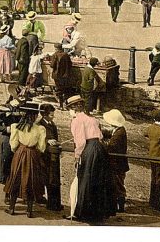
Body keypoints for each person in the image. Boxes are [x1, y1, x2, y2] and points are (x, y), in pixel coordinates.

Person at [67, 95, 116, 223]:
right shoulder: (93, 119)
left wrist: (77, 156)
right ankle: (99, 212)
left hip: (89, 148)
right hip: (100, 148)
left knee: (86, 179)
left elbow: (80, 141)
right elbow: (100, 136)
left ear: (73, 108)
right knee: (99, 179)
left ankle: (85, 213)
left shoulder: (77, 120)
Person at [4, 102, 46, 217]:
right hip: (32, 155)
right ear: (34, 115)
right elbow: (41, 147)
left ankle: (12, 208)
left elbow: (13, 145)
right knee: (31, 180)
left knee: (15, 178)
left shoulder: (17, 126)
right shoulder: (40, 129)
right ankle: (29, 210)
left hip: (20, 154)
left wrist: (18, 151)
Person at [102, 109, 129, 213]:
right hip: (119, 163)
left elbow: (111, 147)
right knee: (117, 184)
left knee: (118, 185)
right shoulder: (119, 130)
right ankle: (117, 204)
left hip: (118, 164)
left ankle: (120, 207)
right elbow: (110, 133)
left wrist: (103, 144)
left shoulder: (118, 134)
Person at [38, 104, 63, 211]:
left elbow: (55, 138)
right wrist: (47, 141)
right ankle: (51, 203)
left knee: (55, 179)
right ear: (45, 115)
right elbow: (38, 140)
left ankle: (56, 203)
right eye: (51, 115)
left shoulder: (52, 124)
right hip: (46, 157)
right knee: (50, 179)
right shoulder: (39, 125)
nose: (53, 116)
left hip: (54, 155)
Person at [51, 43, 75, 109]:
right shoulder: (66, 55)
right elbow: (70, 64)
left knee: (59, 90)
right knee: (65, 90)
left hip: (57, 76)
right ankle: (66, 104)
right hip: (65, 76)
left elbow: (52, 65)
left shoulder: (55, 55)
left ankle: (61, 105)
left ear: (56, 48)